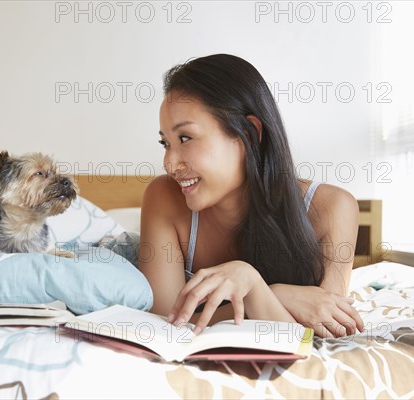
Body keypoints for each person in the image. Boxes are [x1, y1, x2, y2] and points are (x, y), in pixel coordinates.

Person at [138, 54, 364, 338]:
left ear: (248, 132)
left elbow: (324, 332)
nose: (169, 163)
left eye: (185, 138)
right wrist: (264, 296)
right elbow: (164, 323)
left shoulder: (332, 208)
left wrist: (255, 288)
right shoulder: (164, 198)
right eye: (165, 143)